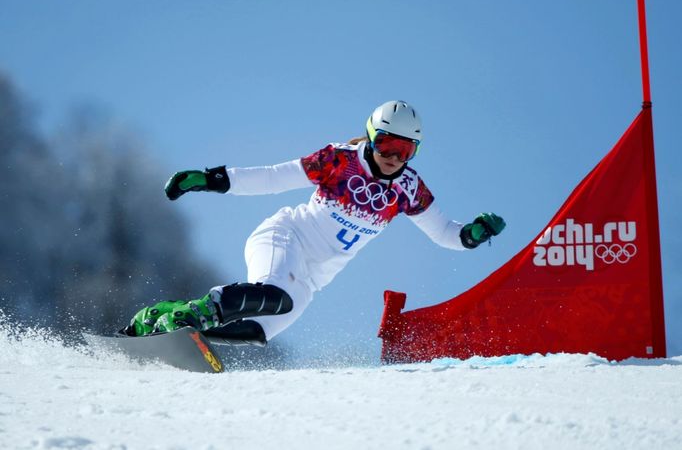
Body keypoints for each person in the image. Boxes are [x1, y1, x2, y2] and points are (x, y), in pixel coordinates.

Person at [124, 100, 505, 346]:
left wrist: (472, 234)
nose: (394, 156)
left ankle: (168, 321)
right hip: (285, 238)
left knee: (255, 331)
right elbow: (274, 177)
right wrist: (212, 179)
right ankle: (191, 311)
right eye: (387, 144)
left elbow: (444, 233)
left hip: (311, 279)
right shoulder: (340, 160)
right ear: (372, 138)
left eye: (405, 150)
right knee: (275, 296)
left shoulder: (408, 188)